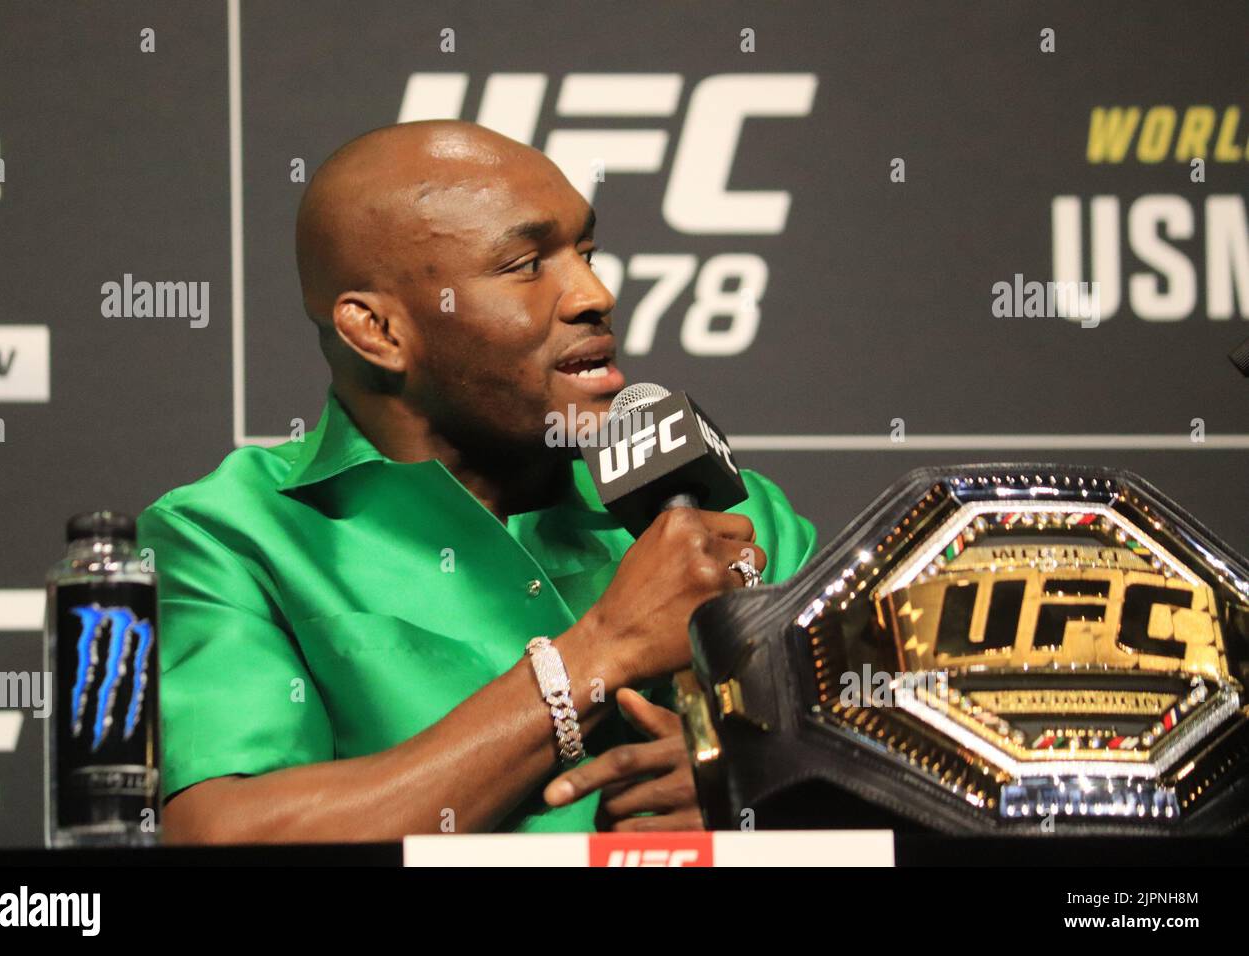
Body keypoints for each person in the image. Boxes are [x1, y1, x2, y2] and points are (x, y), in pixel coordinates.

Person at [137, 120, 817, 842]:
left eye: (586, 251)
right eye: (526, 265)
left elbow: (921, 784)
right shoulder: (230, 537)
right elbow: (227, 836)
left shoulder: (726, 518)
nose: (594, 293)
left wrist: (757, 785)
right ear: (378, 331)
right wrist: (598, 651)